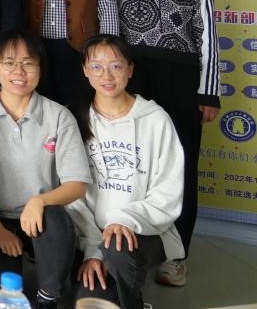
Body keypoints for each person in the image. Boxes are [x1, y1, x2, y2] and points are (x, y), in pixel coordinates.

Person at [114, 0, 220, 287]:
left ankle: (176, 256)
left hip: (181, 78)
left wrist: (208, 92)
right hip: (131, 79)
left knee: (180, 165)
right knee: (133, 165)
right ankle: (132, 248)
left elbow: (207, 33)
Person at [0, 30, 90, 308]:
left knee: (56, 221)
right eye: (9, 62)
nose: (19, 72)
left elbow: (77, 184)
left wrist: (39, 201)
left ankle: (47, 297)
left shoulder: (59, 115)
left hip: (44, 216)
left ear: (41, 68)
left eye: (28, 63)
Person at [68, 35, 185, 309]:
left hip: (144, 231)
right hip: (89, 235)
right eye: (96, 67)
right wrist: (93, 248)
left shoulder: (156, 120)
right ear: (85, 70)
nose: (106, 75)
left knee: (118, 246)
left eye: (116, 66)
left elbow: (167, 194)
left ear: (130, 69)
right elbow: (71, 191)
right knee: (88, 302)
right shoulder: (73, 117)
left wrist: (123, 220)